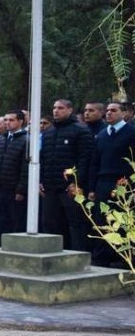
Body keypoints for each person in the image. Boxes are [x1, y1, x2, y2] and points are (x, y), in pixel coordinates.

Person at [40, 99, 95, 251]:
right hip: (50, 186)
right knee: (49, 222)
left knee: (75, 223)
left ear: (70, 110)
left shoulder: (81, 130)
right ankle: (51, 254)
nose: (56, 111)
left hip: (70, 187)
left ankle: (78, 255)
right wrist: (41, 180)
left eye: (60, 108)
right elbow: (43, 158)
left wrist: (77, 182)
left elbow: (85, 159)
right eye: (54, 108)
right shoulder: (49, 132)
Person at [88, 102, 135, 266]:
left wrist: (129, 181)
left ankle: (124, 258)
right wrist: (92, 188)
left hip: (124, 183)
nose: (109, 113)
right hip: (103, 182)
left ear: (124, 113)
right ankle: (102, 257)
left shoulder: (131, 132)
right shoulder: (101, 135)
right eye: (107, 111)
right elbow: (95, 163)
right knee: (102, 220)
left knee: (123, 220)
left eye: (113, 110)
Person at [0, 110, 29, 237]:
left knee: (16, 222)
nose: (7, 123)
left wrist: (21, 190)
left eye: (11, 120)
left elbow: (25, 168)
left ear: (20, 122)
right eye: (6, 120)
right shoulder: (0, 140)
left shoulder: (26, 141)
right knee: (2, 222)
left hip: (14, 190)